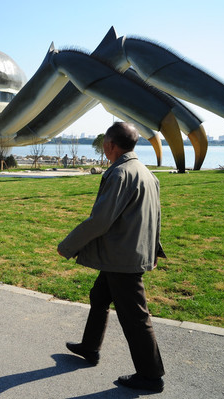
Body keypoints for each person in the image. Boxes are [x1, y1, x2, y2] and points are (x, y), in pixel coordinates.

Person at [57, 122, 166, 393]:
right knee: (99, 296)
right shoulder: (146, 173)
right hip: (125, 253)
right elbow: (155, 218)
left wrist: (68, 245)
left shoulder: (120, 174)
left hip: (122, 257)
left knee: (135, 316)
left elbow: (100, 221)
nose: (104, 146)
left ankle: (151, 376)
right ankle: (90, 347)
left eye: (105, 141)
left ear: (110, 145)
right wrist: (153, 250)